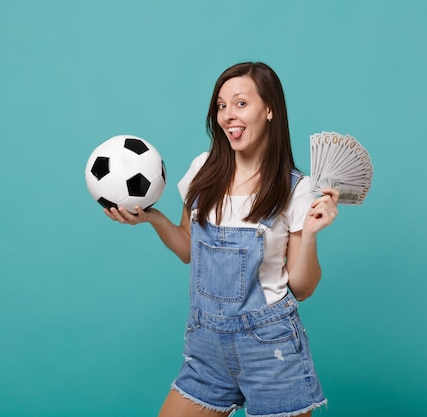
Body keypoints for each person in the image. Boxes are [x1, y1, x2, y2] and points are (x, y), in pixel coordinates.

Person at [105, 62, 339, 417]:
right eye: (221, 105)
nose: (228, 115)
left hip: (270, 351)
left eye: (241, 103)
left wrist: (309, 235)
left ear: (270, 109)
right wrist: (153, 218)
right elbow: (189, 250)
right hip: (206, 347)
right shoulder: (203, 169)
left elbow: (303, 288)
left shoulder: (295, 188)